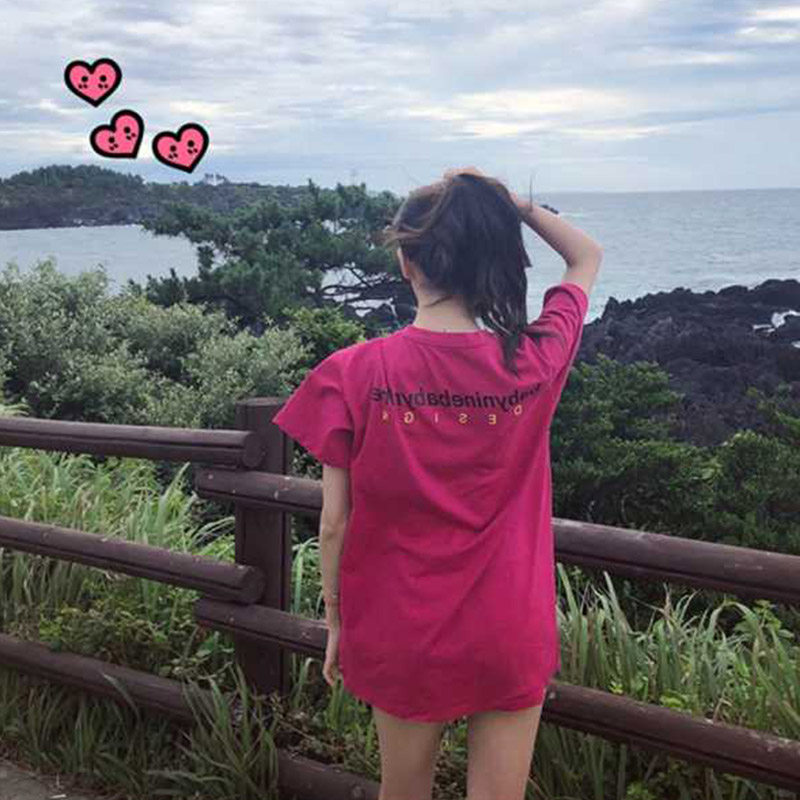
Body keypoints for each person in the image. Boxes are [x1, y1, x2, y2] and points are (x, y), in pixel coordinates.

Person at [272, 166, 602, 800]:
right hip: (508, 626)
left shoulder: (352, 373)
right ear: (491, 262)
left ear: (407, 261)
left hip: (400, 628)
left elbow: (334, 522)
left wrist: (337, 622)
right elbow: (585, 256)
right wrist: (508, 204)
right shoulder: (533, 361)